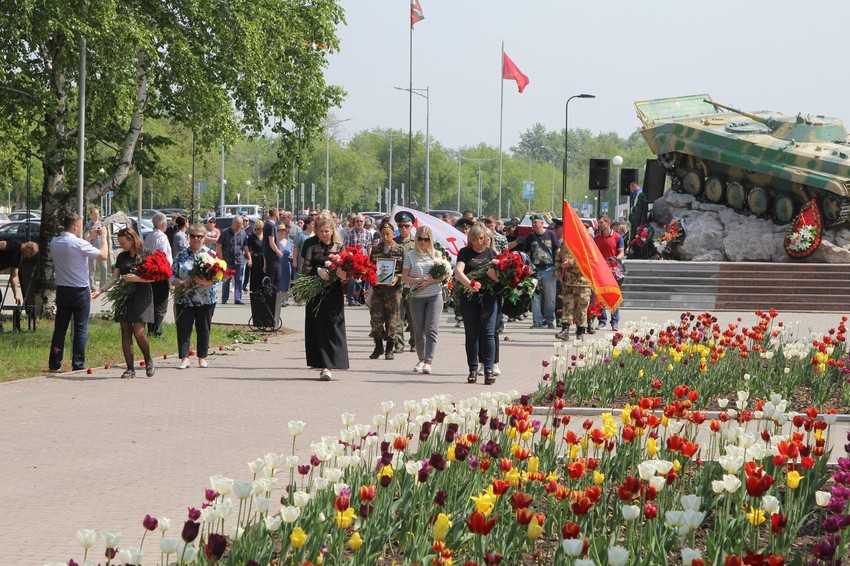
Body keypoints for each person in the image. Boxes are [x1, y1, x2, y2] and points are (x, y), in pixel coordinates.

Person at [48, 212, 110, 372]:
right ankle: (78, 364)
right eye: (80, 226)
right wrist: (103, 237)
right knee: (80, 328)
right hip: (80, 291)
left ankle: (55, 362)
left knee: (60, 329)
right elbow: (103, 255)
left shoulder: (54, 242)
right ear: (75, 226)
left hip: (62, 289)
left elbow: (73, 247)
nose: (81, 228)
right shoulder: (78, 244)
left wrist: (88, 238)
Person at [92, 228, 155, 378]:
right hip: (125, 297)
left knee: (139, 332)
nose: (121, 245)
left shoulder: (147, 254)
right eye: (119, 243)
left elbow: (154, 278)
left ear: (132, 239)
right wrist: (100, 291)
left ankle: (148, 360)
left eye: (123, 243)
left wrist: (137, 279)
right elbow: (114, 278)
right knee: (126, 332)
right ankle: (130, 368)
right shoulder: (122, 256)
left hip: (142, 296)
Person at [301, 215, 349, 380]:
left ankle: (330, 364)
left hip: (333, 292)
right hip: (316, 292)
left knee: (333, 326)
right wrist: (318, 271)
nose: (324, 234)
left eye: (326, 231)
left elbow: (345, 269)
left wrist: (342, 275)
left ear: (332, 230)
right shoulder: (312, 246)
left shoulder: (339, 246)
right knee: (318, 326)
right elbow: (304, 268)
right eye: (321, 231)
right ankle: (322, 364)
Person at [454, 222, 500, 385]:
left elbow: (501, 277)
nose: (479, 242)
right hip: (469, 298)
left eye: (481, 238)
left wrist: (495, 278)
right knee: (472, 334)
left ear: (486, 238)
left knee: (488, 333)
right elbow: (458, 271)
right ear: (470, 239)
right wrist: (470, 284)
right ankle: (473, 370)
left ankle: (488, 369)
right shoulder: (465, 253)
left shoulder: (492, 253)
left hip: (489, 297)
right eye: (475, 239)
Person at [171, 224, 218, 369]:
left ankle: (202, 357)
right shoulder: (181, 255)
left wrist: (204, 280)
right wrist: (180, 281)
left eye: (200, 236)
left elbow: (219, 276)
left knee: (203, 328)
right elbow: (171, 275)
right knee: (183, 328)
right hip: (184, 298)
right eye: (193, 236)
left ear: (205, 238)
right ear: (188, 237)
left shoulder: (211, 255)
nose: (196, 239)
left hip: (206, 299)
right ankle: (184, 358)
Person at [401, 225, 444, 374]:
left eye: (426, 239)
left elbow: (443, 276)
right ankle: (420, 359)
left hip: (434, 296)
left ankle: (428, 361)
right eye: (420, 239)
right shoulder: (410, 255)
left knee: (431, 329)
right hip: (416, 296)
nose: (423, 242)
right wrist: (419, 280)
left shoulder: (437, 255)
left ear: (430, 240)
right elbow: (404, 278)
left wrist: (429, 282)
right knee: (418, 329)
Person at [367, 222, 405, 360]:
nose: (385, 236)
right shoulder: (376, 250)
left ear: (393, 235)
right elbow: (371, 268)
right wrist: (372, 277)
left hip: (394, 291)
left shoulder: (400, 250)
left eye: (388, 234)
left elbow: (405, 272)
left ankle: (390, 347)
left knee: (392, 319)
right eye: (383, 234)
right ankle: (378, 347)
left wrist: (396, 277)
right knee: (376, 318)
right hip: (378, 290)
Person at [523, 214, 560, 329]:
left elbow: (557, 251)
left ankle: (549, 320)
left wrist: (557, 268)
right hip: (535, 270)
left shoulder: (551, 234)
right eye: (532, 223)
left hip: (549, 269)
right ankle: (537, 321)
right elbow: (526, 252)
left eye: (536, 222)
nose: (533, 225)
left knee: (550, 297)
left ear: (542, 223)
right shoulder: (530, 237)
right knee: (535, 297)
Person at [593, 214, 625, 332]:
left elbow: (621, 252)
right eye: (599, 222)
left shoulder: (617, 237)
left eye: (601, 222)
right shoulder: (596, 238)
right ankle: (602, 321)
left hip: (613, 271)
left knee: (613, 295)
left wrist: (616, 258)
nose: (599, 225)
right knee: (599, 297)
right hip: (600, 271)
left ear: (607, 223)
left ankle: (615, 322)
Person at [143, 213, 173, 337]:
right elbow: (166, 256)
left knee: (152, 301)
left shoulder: (149, 236)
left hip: (150, 272)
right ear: (162, 224)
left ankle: (151, 329)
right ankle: (156, 331)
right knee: (161, 303)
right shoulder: (162, 237)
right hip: (161, 272)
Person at [555, 242, 592, 341]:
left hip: (583, 283)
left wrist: (571, 262)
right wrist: (558, 273)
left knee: (581, 309)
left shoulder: (586, 245)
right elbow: (558, 260)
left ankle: (580, 332)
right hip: (568, 284)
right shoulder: (565, 246)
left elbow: (586, 260)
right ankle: (565, 331)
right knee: (567, 306)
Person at [393, 211, 416, 353]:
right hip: (396, 284)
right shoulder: (393, 243)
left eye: (406, 225)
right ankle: (399, 343)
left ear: (411, 226)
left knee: (413, 315)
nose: (403, 228)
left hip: (412, 283)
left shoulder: (418, 242)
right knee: (397, 315)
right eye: (401, 226)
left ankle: (415, 342)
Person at [216, 216, 247, 304]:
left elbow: (245, 246)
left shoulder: (243, 233)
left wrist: (249, 256)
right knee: (226, 279)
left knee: (239, 279)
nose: (238, 227)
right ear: (233, 224)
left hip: (239, 259)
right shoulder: (225, 232)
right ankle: (224, 298)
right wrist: (220, 257)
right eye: (237, 225)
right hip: (227, 260)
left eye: (240, 225)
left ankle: (238, 298)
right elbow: (219, 246)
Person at [0, 240, 39, 307]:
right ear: (27, 247)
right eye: (30, 254)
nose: (29, 256)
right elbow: (2, 244)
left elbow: (14, 276)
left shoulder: (19, 258)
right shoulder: (14, 244)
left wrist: (16, 294)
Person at [344, 214, 372, 306]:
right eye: (357, 221)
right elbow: (347, 248)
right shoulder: (350, 233)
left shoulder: (368, 233)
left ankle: (363, 298)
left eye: (361, 221)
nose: (359, 223)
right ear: (354, 222)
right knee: (353, 280)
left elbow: (369, 247)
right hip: (354, 260)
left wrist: (369, 259)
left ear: (364, 222)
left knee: (364, 279)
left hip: (364, 260)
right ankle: (351, 299)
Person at [83, 208, 108, 291]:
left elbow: (105, 235)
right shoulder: (88, 224)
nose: (97, 215)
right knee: (92, 269)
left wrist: (101, 232)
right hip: (92, 249)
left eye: (98, 214)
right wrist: (91, 232)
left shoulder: (102, 224)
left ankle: (103, 286)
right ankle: (93, 287)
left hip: (101, 248)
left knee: (104, 268)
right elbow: (86, 236)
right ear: (91, 215)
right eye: (95, 214)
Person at [262, 208, 282, 288]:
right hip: (272, 256)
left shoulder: (266, 224)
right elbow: (271, 242)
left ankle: (272, 296)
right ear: (275, 214)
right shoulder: (271, 226)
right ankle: (271, 297)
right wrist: (279, 252)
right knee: (273, 278)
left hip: (268, 255)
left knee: (273, 277)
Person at [276, 224, 295, 305]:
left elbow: (292, 252)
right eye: (280, 230)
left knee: (287, 281)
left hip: (287, 264)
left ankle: (285, 298)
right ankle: (279, 299)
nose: (282, 232)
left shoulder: (289, 242)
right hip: (279, 264)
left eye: (284, 230)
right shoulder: (275, 242)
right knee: (279, 281)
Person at [245, 220, 266, 292]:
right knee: (255, 276)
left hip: (264, 258)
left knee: (264, 275)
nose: (259, 230)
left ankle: (264, 291)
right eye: (257, 229)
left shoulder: (266, 237)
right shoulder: (252, 237)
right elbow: (248, 248)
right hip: (255, 257)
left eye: (261, 228)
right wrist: (249, 259)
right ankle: (255, 291)